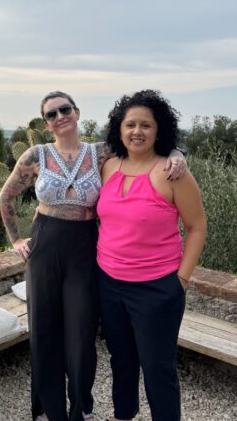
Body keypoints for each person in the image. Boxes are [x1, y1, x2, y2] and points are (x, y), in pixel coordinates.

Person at [0, 91, 186, 421]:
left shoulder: (101, 152)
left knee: (82, 332)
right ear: (47, 123)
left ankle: (78, 406)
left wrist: (176, 151)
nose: (60, 116)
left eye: (65, 109)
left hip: (85, 246)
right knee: (43, 328)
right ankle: (51, 406)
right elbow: (6, 195)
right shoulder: (36, 155)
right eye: (52, 114)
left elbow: (143, 145)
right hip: (45, 243)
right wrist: (16, 241)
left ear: (77, 112)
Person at [96, 90, 207, 421]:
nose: (137, 131)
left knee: (157, 368)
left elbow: (197, 227)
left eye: (146, 125)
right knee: (121, 358)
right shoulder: (108, 166)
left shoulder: (174, 173)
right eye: (130, 124)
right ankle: (123, 414)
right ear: (119, 128)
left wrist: (181, 280)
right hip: (109, 281)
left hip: (157, 288)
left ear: (159, 130)